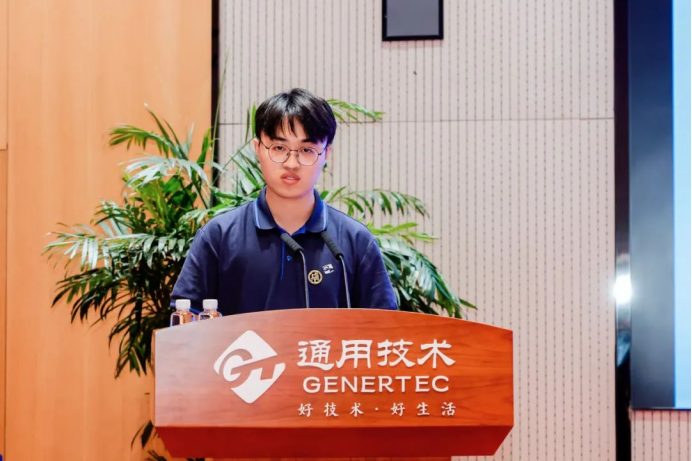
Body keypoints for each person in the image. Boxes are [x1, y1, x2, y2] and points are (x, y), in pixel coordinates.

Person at [171, 88, 398, 316]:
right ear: (258, 149)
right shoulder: (219, 237)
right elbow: (184, 322)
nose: (292, 163)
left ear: (326, 154)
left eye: (306, 150)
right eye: (279, 148)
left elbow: (385, 327)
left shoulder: (355, 241)